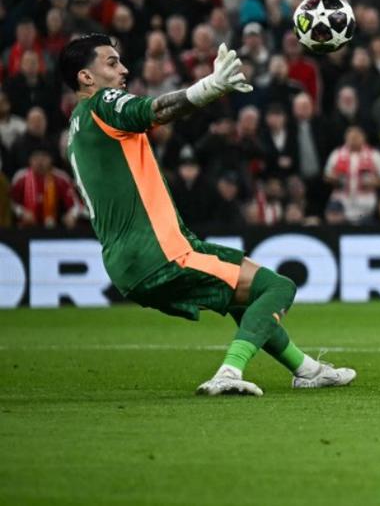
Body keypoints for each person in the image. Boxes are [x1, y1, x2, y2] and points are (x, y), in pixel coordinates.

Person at [60, 34, 355, 396]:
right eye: (111, 62)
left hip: (130, 262)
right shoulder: (103, 103)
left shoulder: (76, 128)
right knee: (278, 287)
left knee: (240, 295)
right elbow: (155, 110)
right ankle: (229, 372)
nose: (123, 70)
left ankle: (307, 370)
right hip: (159, 252)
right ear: (85, 77)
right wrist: (209, 87)